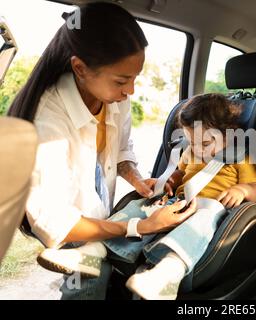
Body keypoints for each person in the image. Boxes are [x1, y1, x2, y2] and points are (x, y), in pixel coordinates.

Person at [7, 2, 196, 300]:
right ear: (80, 68)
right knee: (93, 273)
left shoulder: (114, 99)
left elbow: (121, 150)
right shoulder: (46, 123)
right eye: (122, 80)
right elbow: (57, 222)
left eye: (135, 77)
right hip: (69, 224)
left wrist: (136, 179)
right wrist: (138, 225)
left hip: (97, 211)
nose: (131, 91)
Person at [37, 93, 256, 300]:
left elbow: (255, 187)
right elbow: (181, 173)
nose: (199, 150)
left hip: (210, 210)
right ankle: (93, 252)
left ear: (230, 132)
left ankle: (167, 274)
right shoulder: (191, 152)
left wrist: (241, 190)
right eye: (192, 142)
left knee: (206, 216)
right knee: (137, 206)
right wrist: (170, 182)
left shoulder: (239, 157)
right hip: (178, 204)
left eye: (205, 143)